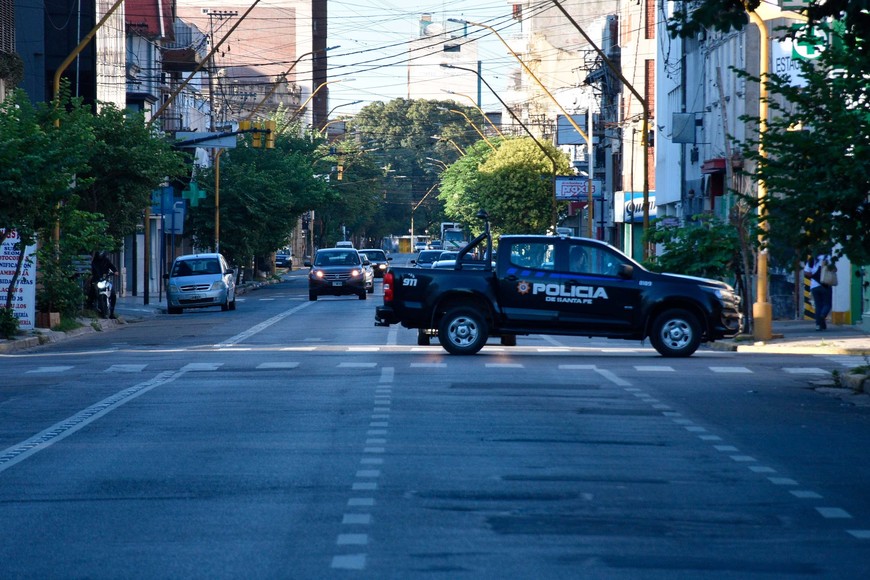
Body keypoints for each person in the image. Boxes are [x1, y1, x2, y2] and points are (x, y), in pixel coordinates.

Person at [804, 252, 833, 331]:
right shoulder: (828, 258)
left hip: (814, 286)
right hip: (825, 285)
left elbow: (806, 272)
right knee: (827, 304)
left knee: (818, 306)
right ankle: (822, 315)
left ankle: (818, 325)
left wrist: (814, 276)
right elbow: (834, 269)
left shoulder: (812, 259)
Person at [90, 251, 117, 318]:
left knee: (113, 293)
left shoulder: (106, 261)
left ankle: (112, 312)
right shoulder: (94, 262)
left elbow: (112, 266)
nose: (100, 255)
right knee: (92, 291)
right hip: (96, 280)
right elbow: (91, 270)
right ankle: (91, 306)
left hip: (105, 280)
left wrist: (115, 271)